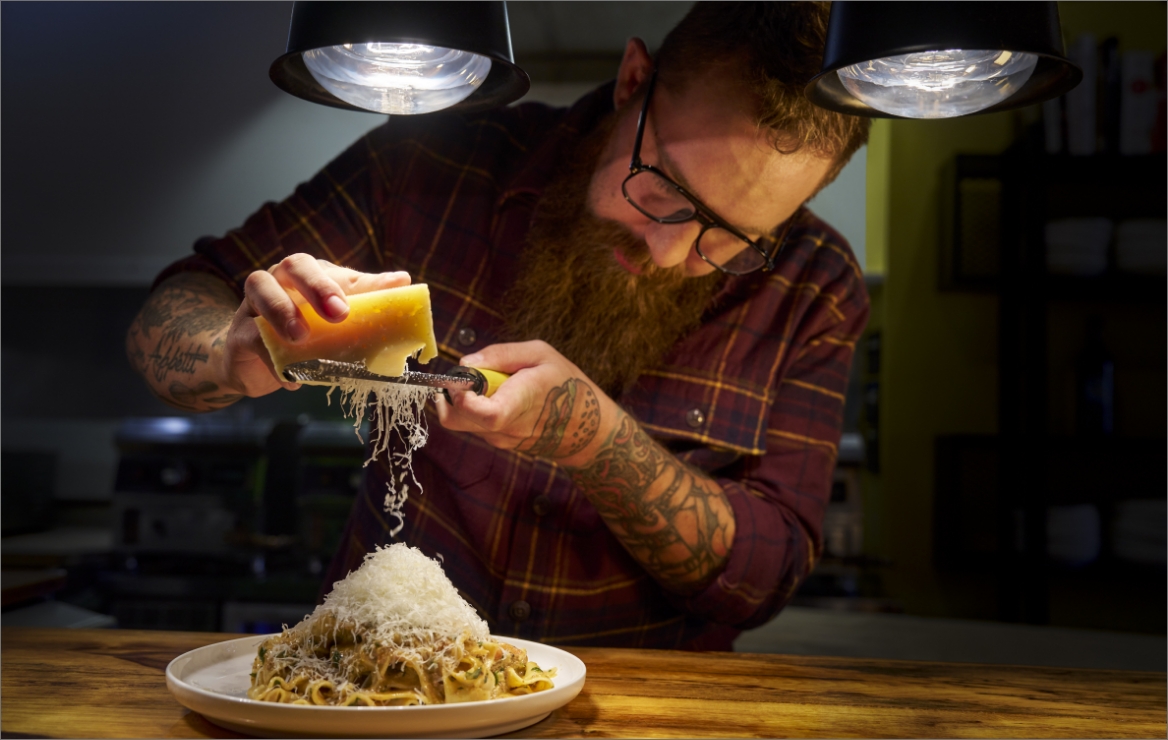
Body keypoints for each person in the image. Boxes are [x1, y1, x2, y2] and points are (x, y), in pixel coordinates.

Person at [126, 2, 869, 650]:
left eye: (732, 237)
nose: (671, 253)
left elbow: (763, 581)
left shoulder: (815, 287)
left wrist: (598, 444)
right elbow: (172, 314)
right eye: (665, 188)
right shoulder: (428, 162)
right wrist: (228, 353)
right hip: (380, 681)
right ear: (633, 80)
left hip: (639, 709)